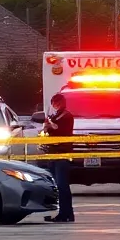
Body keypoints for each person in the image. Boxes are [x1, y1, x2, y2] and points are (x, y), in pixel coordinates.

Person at [42, 92, 76, 223]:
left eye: (57, 103)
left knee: (63, 186)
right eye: (53, 103)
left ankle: (66, 214)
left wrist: (50, 125)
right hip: (53, 154)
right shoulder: (55, 116)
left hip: (62, 155)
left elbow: (60, 130)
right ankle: (65, 213)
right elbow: (48, 131)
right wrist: (46, 126)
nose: (55, 105)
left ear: (62, 103)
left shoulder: (67, 116)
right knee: (58, 186)